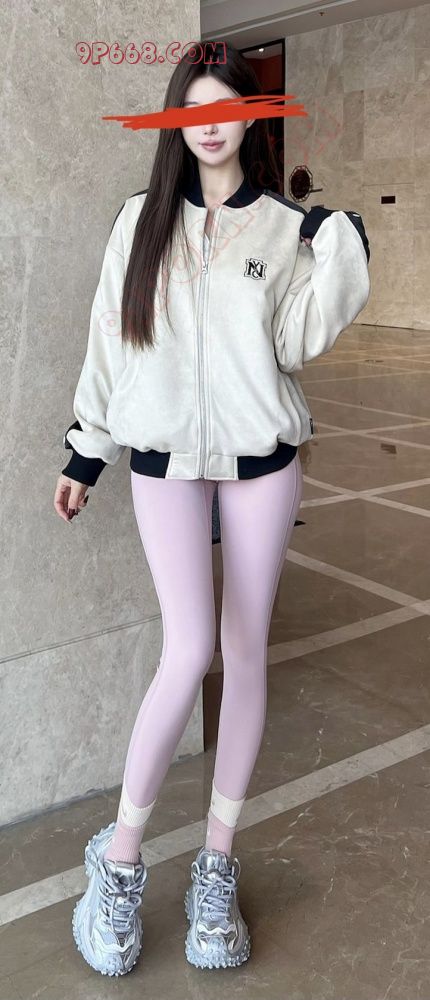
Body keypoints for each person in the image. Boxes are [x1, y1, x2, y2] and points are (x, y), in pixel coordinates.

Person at [54, 40, 370, 978]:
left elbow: (297, 342)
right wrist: (87, 449)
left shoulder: (281, 227)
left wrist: (337, 247)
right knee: (189, 650)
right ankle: (118, 861)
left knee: (244, 650)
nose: (211, 125)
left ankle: (216, 868)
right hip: (164, 462)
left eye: (226, 107)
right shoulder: (139, 220)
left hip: (262, 460)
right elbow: (110, 339)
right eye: (193, 110)